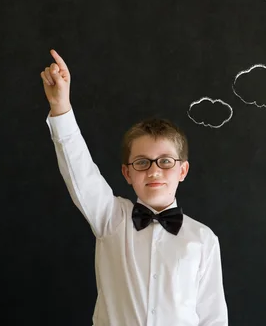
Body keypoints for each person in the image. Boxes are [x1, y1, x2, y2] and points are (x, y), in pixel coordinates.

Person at [41, 48, 228, 326]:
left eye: (165, 161)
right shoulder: (111, 219)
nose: (154, 170)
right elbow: (80, 172)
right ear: (127, 173)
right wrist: (61, 108)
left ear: (183, 170)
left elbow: (213, 319)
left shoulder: (203, 239)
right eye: (142, 162)